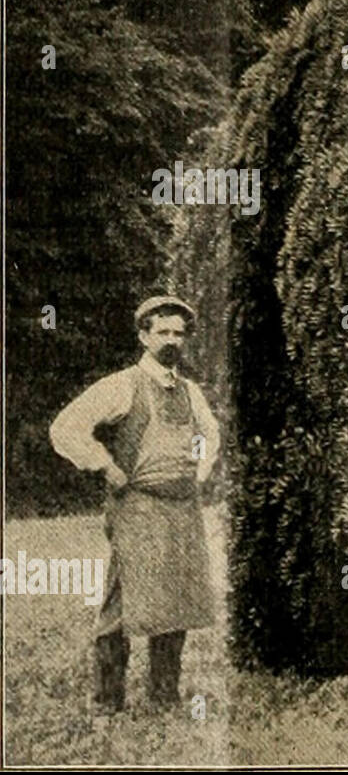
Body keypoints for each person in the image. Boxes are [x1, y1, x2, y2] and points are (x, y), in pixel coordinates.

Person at [49, 296, 220, 715]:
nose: (172, 340)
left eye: (179, 333)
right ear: (144, 336)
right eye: (163, 332)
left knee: (176, 602)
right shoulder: (124, 385)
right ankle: (107, 701)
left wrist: (195, 473)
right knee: (122, 604)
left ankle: (164, 696)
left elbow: (209, 437)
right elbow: (66, 427)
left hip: (181, 507)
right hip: (137, 507)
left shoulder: (191, 392)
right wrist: (105, 466)